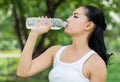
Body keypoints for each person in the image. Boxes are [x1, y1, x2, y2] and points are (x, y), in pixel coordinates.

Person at [17, 5, 111, 82]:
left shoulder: (96, 63)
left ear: (88, 25)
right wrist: (34, 33)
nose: (68, 19)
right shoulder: (55, 51)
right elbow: (23, 72)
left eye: (75, 16)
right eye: (70, 15)